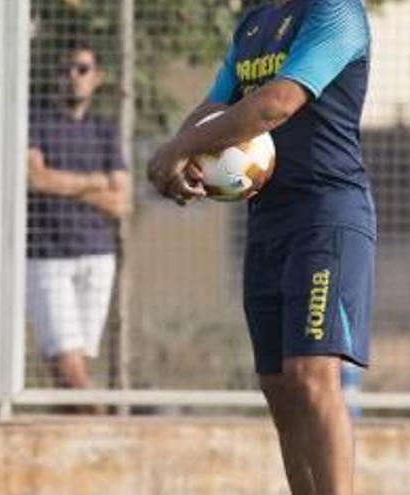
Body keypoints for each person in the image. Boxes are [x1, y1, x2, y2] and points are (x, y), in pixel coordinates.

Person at [148, 1, 375, 493]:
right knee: (280, 387)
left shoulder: (335, 12)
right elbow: (216, 106)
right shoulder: (255, 22)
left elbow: (277, 103)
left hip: (326, 218)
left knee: (312, 376)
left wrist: (178, 149)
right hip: (268, 220)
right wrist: (182, 145)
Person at [25, 38, 130, 401]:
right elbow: (35, 178)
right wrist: (94, 183)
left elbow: (119, 203)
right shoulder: (36, 123)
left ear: (96, 77)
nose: (73, 77)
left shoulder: (105, 132)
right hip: (47, 258)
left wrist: (61, 181)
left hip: (97, 257)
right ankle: (108, 437)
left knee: (71, 372)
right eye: (65, 70)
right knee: (70, 372)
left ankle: (76, 451)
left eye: (82, 69)